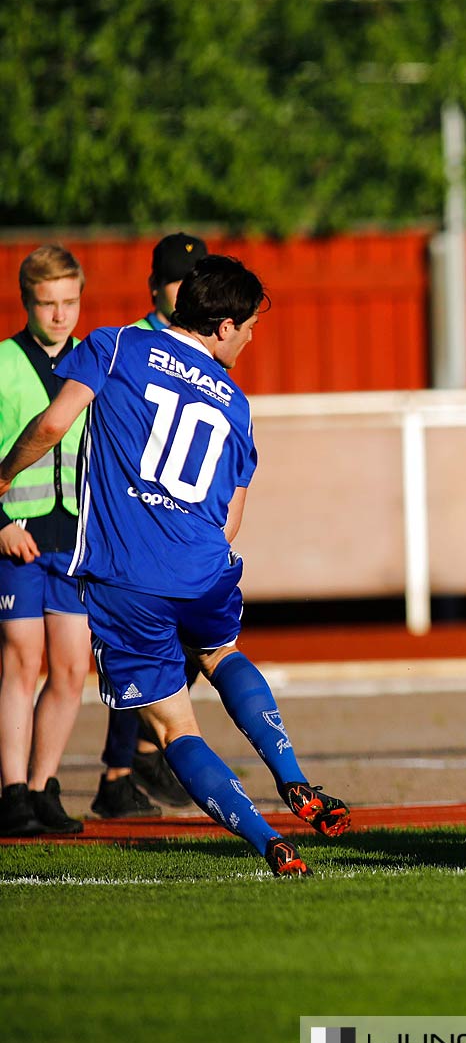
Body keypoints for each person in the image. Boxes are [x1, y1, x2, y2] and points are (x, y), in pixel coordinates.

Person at [0, 255, 350, 874]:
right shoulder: (236, 403)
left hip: (127, 580)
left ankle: (270, 841)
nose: (248, 336)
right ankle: (293, 778)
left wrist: (2, 474)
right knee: (222, 654)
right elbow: (231, 522)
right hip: (205, 570)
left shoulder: (113, 346)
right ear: (220, 326)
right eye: (246, 326)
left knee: (174, 729)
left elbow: (55, 424)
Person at [93, 231, 211, 818]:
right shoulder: (130, 345)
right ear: (154, 287)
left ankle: (143, 752)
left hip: (178, 526)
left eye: (197, 281)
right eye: (176, 280)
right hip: (130, 526)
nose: (187, 290)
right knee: (138, 645)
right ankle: (125, 767)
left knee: (189, 638)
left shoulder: (205, 351)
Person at [0, 246, 94, 835]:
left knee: (69, 668)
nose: (60, 315)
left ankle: (43, 788)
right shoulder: (3, 362)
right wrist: (0, 524)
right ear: (27, 301)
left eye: (70, 302)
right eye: (48, 303)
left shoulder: (96, 361)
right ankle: (11, 791)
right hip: (18, 538)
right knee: (20, 661)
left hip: (77, 538)